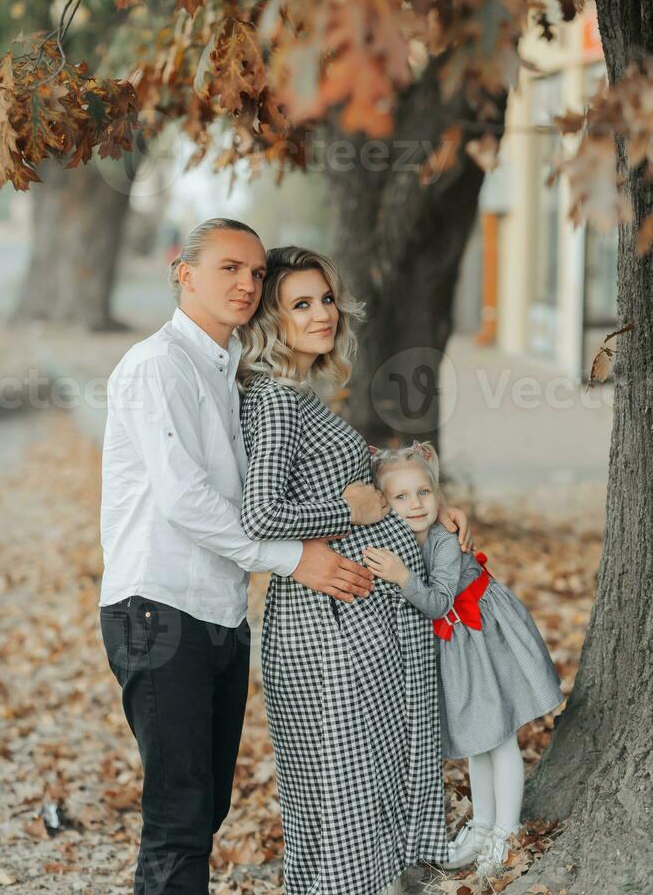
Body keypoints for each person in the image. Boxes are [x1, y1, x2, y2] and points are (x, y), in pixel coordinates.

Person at [98, 219, 377, 894]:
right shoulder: (157, 364)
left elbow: (291, 475)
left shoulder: (229, 371)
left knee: (207, 807)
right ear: (184, 273)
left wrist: (405, 484)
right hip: (158, 609)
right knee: (180, 817)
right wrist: (293, 559)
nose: (248, 284)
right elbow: (185, 500)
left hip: (221, 613)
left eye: (256, 273)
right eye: (230, 268)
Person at [237, 246, 473, 895]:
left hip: (354, 615)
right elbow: (260, 513)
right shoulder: (278, 400)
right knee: (343, 788)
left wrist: (428, 505)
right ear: (270, 319)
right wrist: (346, 509)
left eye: (326, 300)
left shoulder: (304, 395)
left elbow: (364, 467)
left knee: (360, 784)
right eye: (300, 304)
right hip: (323, 623)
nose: (321, 314)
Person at [364, 440, 564, 879]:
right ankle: (483, 825)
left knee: (500, 737)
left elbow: (437, 602)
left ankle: (506, 833)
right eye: (401, 496)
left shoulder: (443, 541)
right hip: (458, 644)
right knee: (478, 737)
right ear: (382, 501)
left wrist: (400, 576)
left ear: (438, 495)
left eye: (424, 493)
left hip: (483, 636)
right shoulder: (395, 534)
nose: (415, 504)